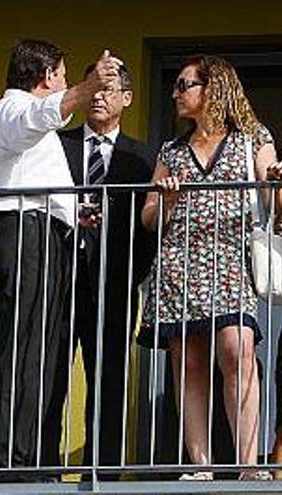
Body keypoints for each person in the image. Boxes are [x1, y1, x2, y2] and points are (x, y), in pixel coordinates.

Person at [0, 39, 123, 480]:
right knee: (24, 349)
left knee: (45, 352)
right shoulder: (9, 110)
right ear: (45, 76)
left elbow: (36, 177)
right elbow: (34, 118)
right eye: (61, 75)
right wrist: (88, 86)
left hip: (48, 234)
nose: (65, 85)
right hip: (25, 233)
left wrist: (74, 214)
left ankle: (34, 458)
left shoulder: (34, 129)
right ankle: (9, 464)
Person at [141, 55, 281, 481]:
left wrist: (276, 182)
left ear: (212, 89)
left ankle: (247, 464)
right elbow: (148, 218)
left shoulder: (252, 138)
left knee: (238, 352)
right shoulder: (171, 151)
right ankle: (199, 465)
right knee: (189, 362)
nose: (175, 92)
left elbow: (277, 203)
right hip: (180, 264)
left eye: (184, 85)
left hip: (232, 260)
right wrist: (165, 199)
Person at [41, 63, 155, 477]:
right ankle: (43, 470)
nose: (99, 96)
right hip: (59, 282)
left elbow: (149, 229)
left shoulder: (142, 158)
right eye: (94, 88)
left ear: (127, 98)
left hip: (115, 284)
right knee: (49, 377)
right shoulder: (56, 145)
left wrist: (130, 275)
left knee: (109, 381)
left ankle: (101, 473)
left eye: (109, 89)